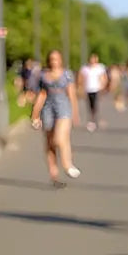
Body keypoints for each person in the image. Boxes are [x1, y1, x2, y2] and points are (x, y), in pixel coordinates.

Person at [31, 49, 81, 186]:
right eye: (52, 59)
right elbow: (41, 95)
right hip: (48, 108)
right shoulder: (43, 75)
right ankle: (54, 173)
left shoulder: (67, 74)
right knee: (50, 141)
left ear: (61, 60)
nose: (54, 61)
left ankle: (67, 164)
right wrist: (35, 114)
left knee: (59, 138)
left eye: (56, 58)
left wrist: (75, 113)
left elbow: (72, 94)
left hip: (63, 107)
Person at [78, 52, 108, 132]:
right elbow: (80, 78)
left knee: (95, 104)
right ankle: (91, 119)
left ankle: (94, 119)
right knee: (90, 105)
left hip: (97, 89)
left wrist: (103, 86)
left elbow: (104, 77)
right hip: (88, 89)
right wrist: (80, 87)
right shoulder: (85, 68)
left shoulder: (100, 68)